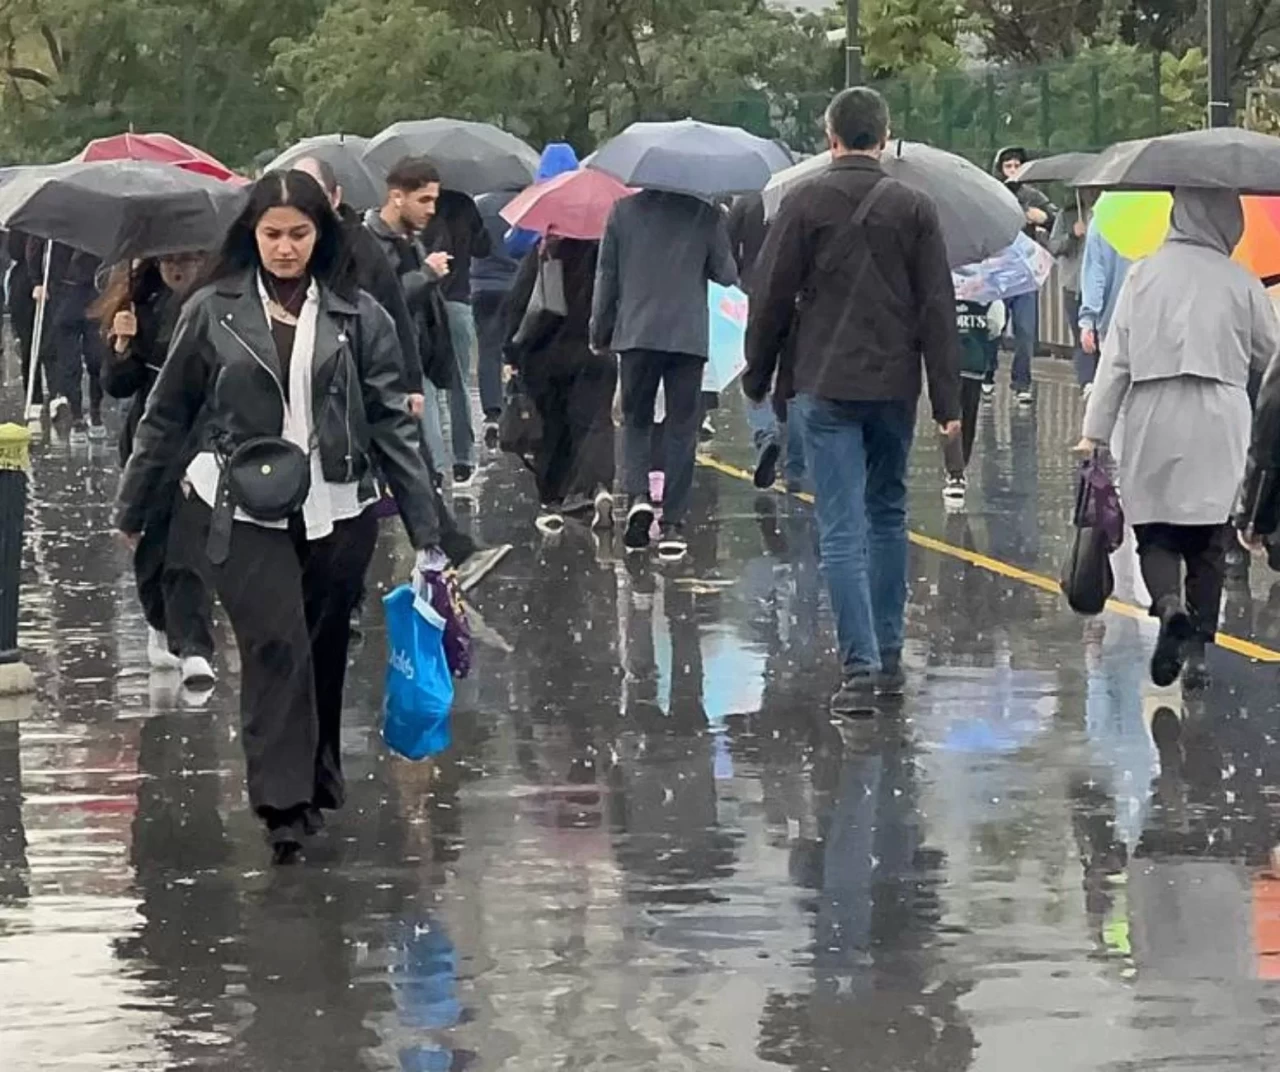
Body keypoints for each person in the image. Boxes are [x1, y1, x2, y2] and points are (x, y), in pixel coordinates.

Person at [116, 171, 444, 863]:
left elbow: (392, 423)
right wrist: (135, 503)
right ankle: (281, 805)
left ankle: (317, 776)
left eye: (299, 234)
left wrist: (428, 526)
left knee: (323, 648)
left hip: (337, 505)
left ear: (320, 236)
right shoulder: (212, 310)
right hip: (236, 505)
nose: (286, 248)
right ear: (252, 236)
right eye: (272, 235)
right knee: (276, 644)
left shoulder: (360, 316)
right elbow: (167, 413)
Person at [744, 86, 960, 714]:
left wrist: (757, 375)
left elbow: (771, 297)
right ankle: (890, 657)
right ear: (885, 137)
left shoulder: (803, 203)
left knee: (840, 527)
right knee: (889, 515)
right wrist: (948, 401)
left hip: (824, 381)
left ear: (829, 138)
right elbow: (937, 309)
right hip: (894, 385)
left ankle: (859, 669)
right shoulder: (915, 209)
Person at [1080, 188, 1279, 691]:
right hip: (1221, 414)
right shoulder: (1240, 281)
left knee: (1157, 530)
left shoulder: (1143, 275)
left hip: (1153, 410)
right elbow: (1271, 356)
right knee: (1210, 538)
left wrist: (1094, 432)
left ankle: (1168, 605)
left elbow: (1116, 362)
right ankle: (1199, 654)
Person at [293, 155, 508, 584]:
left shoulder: (362, 244)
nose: (431, 209)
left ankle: (442, 550)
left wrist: (410, 376)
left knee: (409, 461)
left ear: (335, 197)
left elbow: (387, 311)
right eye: (424, 199)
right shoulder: (311, 247)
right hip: (325, 382)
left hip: (369, 375)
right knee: (384, 468)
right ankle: (432, 553)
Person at [591, 189, 738, 559]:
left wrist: (600, 331)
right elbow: (727, 273)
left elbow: (606, 276)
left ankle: (638, 495)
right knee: (682, 427)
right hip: (687, 337)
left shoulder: (622, 212)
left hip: (637, 333)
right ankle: (673, 524)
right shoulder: (705, 215)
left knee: (636, 419)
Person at [96, 254, 217, 686]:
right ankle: (161, 622)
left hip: (202, 438)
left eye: (186, 259)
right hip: (148, 440)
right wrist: (122, 346)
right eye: (168, 261)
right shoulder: (138, 302)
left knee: (188, 543)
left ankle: (195, 646)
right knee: (151, 544)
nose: (177, 269)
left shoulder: (214, 304)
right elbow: (117, 385)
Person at [504, 236, 615, 534]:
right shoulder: (609, 253)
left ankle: (552, 498)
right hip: (597, 353)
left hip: (547, 354)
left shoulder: (546, 252)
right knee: (594, 422)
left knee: (553, 425)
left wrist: (511, 351)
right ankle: (594, 487)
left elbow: (518, 304)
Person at [365, 157, 457, 482]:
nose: (431, 209)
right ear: (397, 196)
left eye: (434, 200)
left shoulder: (411, 241)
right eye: (424, 200)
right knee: (416, 469)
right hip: (390, 373)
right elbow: (380, 305)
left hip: (417, 366)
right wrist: (426, 275)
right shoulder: (370, 244)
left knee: (426, 469)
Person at [423, 190, 491, 488]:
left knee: (425, 383)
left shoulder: (417, 205)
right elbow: (484, 248)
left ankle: (436, 465)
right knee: (459, 382)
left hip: (422, 302)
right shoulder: (464, 203)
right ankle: (463, 461)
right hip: (459, 302)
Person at [990, 147, 1056, 405]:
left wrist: (1044, 217)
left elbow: (1055, 217)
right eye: (1008, 165)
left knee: (1025, 331)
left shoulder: (1032, 196)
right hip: (997, 271)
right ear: (1000, 169)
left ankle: (1022, 383)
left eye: (1017, 164)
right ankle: (987, 374)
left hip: (1024, 272)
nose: (1013, 169)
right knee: (993, 328)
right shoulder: (991, 193)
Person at [943, 297, 1005, 505]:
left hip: (956, 366)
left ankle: (956, 472)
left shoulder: (944, 293)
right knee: (963, 419)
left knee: (955, 418)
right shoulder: (990, 300)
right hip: (970, 366)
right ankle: (958, 469)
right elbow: (996, 328)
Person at [473, 187, 522, 442]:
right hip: (515, 284)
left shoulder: (479, 205)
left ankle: (492, 412)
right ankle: (519, 401)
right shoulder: (524, 203)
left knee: (488, 350)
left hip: (482, 286)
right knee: (518, 347)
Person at [43, 241, 106, 440]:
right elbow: (35, 251)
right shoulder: (55, 229)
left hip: (94, 295)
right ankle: (77, 414)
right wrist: (38, 281)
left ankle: (95, 411)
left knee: (97, 358)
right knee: (70, 363)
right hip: (65, 293)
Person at [1078, 215, 1132, 396]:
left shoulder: (1103, 219)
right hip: (1153, 320)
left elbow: (1095, 274)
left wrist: (1088, 319)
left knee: (1114, 390)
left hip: (1112, 322)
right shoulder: (1161, 214)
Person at [1048, 194, 1089, 391]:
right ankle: (1086, 383)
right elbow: (1054, 246)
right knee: (1081, 338)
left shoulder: (1111, 212)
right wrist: (1072, 235)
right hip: (1074, 286)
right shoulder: (1068, 214)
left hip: (1103, 286)